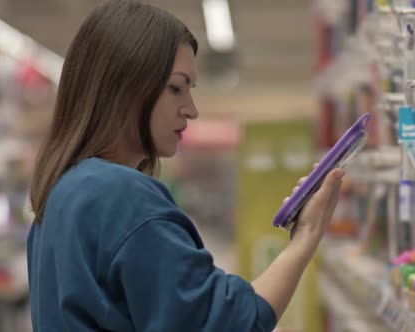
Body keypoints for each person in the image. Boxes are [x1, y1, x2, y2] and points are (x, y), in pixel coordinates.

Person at [26, 1, 344, 331]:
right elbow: (226, 324)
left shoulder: (59, 196)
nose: (191, 110)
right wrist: (307, 235)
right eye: (176, 88)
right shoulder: (120, 196)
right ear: (125, 86)